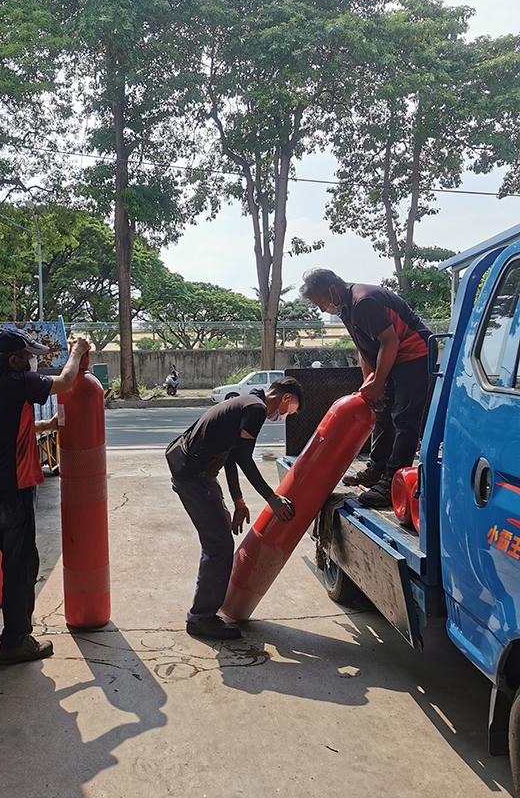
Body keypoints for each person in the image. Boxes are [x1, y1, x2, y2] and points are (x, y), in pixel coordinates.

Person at [0, 331, 90, 665]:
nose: (32, 363)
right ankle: (16, 642)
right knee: (19, 569)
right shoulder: (19, 382)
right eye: (28, 357)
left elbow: (5, 427)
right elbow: (66, 381)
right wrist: (77, 350)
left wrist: (46, 426)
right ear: (13, 360)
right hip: (11, 493)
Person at [166, 378, 303, 641]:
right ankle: (201, 618)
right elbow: (243, 458)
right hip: (194, 478)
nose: (284, 416)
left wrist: (239, 501)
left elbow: (230, 456)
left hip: (196, 474)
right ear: (285, 398)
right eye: (289, 411)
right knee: (219, 545)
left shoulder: (246, 402)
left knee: (219, 539)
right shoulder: (256, 409)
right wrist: (272, 498)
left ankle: (205, 612)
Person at [300, 267, 431, 507]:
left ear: (332, 290)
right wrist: (369, 383)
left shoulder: (363, 302)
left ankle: (393, 482)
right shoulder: (346, 308)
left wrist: (379, 382)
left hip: (414, 353)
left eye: (321, 302)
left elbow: (390, 341)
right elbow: (364, 349)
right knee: (381, 410)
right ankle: (377, 468)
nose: (322, 309)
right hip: (392, 356)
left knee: (404, 418)